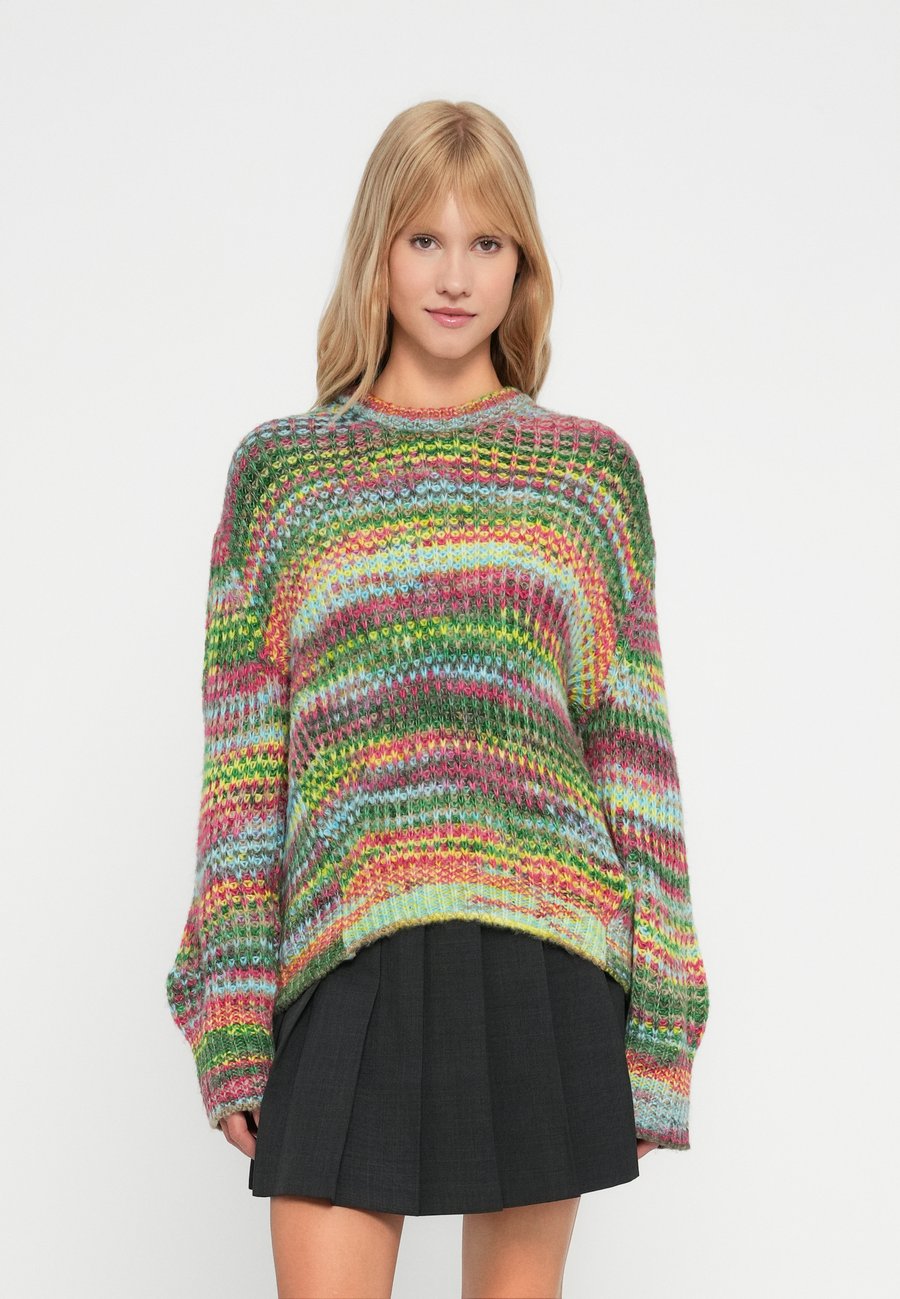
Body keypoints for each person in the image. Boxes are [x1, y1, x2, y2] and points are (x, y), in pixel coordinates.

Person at [165, 98, 710, 1299]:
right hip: (346, 948)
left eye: (487, 242)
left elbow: (634, 761)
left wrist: (663, 1029)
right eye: (425, 239)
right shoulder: (283, 477)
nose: (456, 276)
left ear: (524, 264)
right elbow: (244, 778)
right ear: (378, 250)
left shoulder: (587, 476)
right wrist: (233, 1018)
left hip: (544, 949)